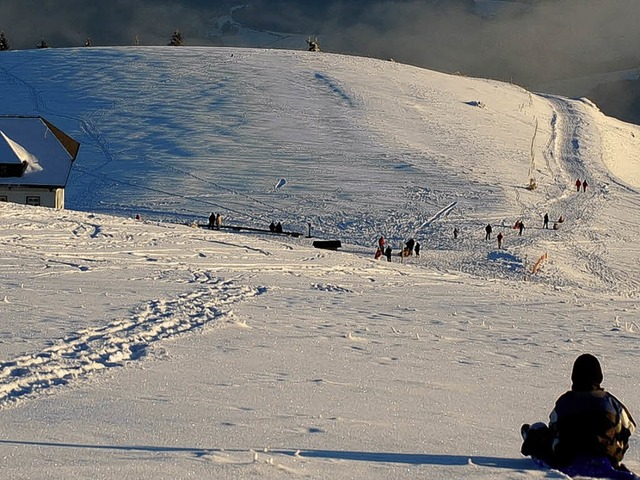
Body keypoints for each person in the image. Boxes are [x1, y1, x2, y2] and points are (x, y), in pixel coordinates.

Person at [521, 354, 637, 478]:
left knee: (541, 430)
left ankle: (533, 435)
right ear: (599, 377)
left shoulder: (565, 401)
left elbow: (554, 426)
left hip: (567, 456)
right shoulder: (609, 401)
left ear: (574, 377)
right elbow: (630, 427)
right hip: (605, 455)